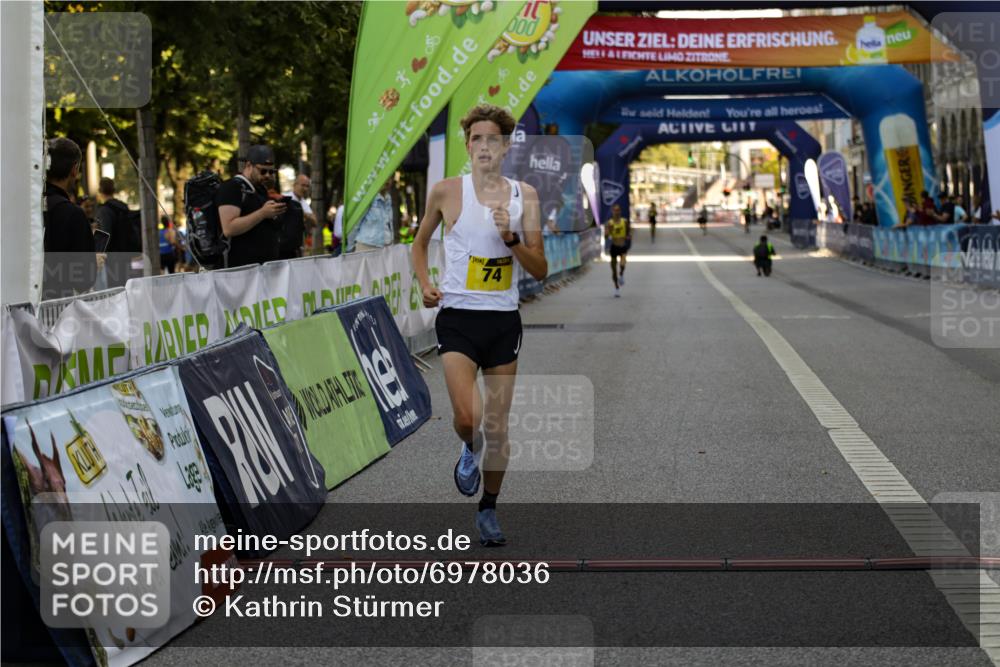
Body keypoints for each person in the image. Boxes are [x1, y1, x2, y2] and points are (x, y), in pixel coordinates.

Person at [412, 104, 546, 547]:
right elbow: (419, 245)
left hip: (503, 322)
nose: (484, 146)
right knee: (469, 418)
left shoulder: (524, 196)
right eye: (476, 139)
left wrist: (511, 238)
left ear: (506, 147)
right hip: (459, 320)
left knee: (498, 427)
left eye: (493, 139)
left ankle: (488, 507)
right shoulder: (446, 191)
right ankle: (468, 451)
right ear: (467, 146)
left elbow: (540, 268)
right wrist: (427, 283)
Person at [42, 137, 97, 300]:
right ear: (74, 169)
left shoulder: (26, 208)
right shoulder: (72, 214)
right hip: (59, 310)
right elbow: (84, 280)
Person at [216, 144, 286, 267]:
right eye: (263, 171)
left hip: (263, 268)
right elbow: (228, 229)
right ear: (249, 165)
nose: (267, 175)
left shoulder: (259, 189)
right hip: (240, 269)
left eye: (271, 171)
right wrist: (262, 213)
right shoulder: (232, 187)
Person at [95, 177, 141, 287]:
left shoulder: (104, 210)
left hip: (113, 257)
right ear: (113, 189)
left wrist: (98, 252)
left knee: (115, 288)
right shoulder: (123, 207)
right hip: (127, 253)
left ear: (100, 191)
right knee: (126, 285)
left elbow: (106, 233)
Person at [348, 179, 393, 252]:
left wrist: (391, 241)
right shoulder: (368, 196)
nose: (388, 180)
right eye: (386, 176)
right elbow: (355, 223)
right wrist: (350, 246)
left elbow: (389, 223)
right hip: (367, 246)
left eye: (391, 177)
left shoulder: (388, 198)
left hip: (386, 247)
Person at [605, 203, 630, 296]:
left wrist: (628, 236)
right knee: (613, 270)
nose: (617, 212)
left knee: (623, 263)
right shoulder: (609, 223)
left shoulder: (625, 221)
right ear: (612, 212)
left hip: (622, 245)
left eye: (618, 210)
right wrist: (609, 231)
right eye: (615, 210)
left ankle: (622, 274)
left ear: (620, 211)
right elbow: (606, 236)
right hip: (614, 247)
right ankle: (616, 288)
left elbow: (628, 232)